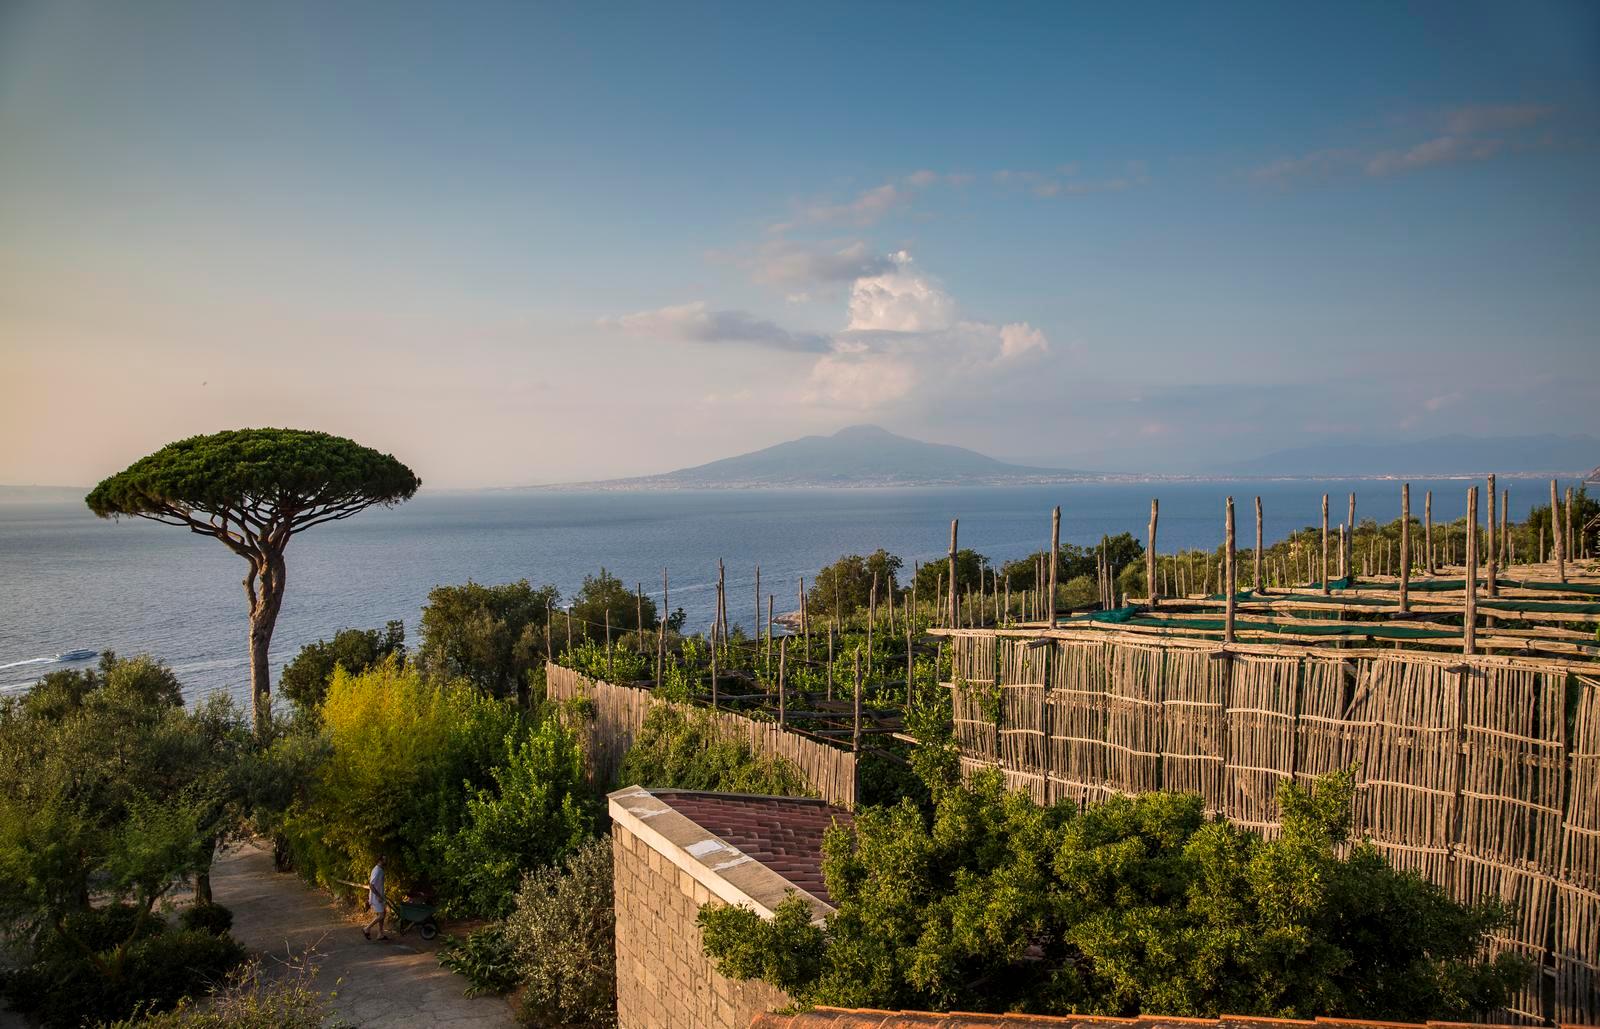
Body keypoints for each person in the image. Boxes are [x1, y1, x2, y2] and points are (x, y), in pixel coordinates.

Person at [363, 854, 389, 941]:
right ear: (380, 860)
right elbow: (371, 885)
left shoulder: (380, 870)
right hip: (376, 897)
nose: (386, 861)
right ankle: (367, 928)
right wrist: (378, 896)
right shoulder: (377, 870)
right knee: (381, 915)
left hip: (379, 896)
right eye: (385, 859)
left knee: (382, 913)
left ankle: (380, 934)